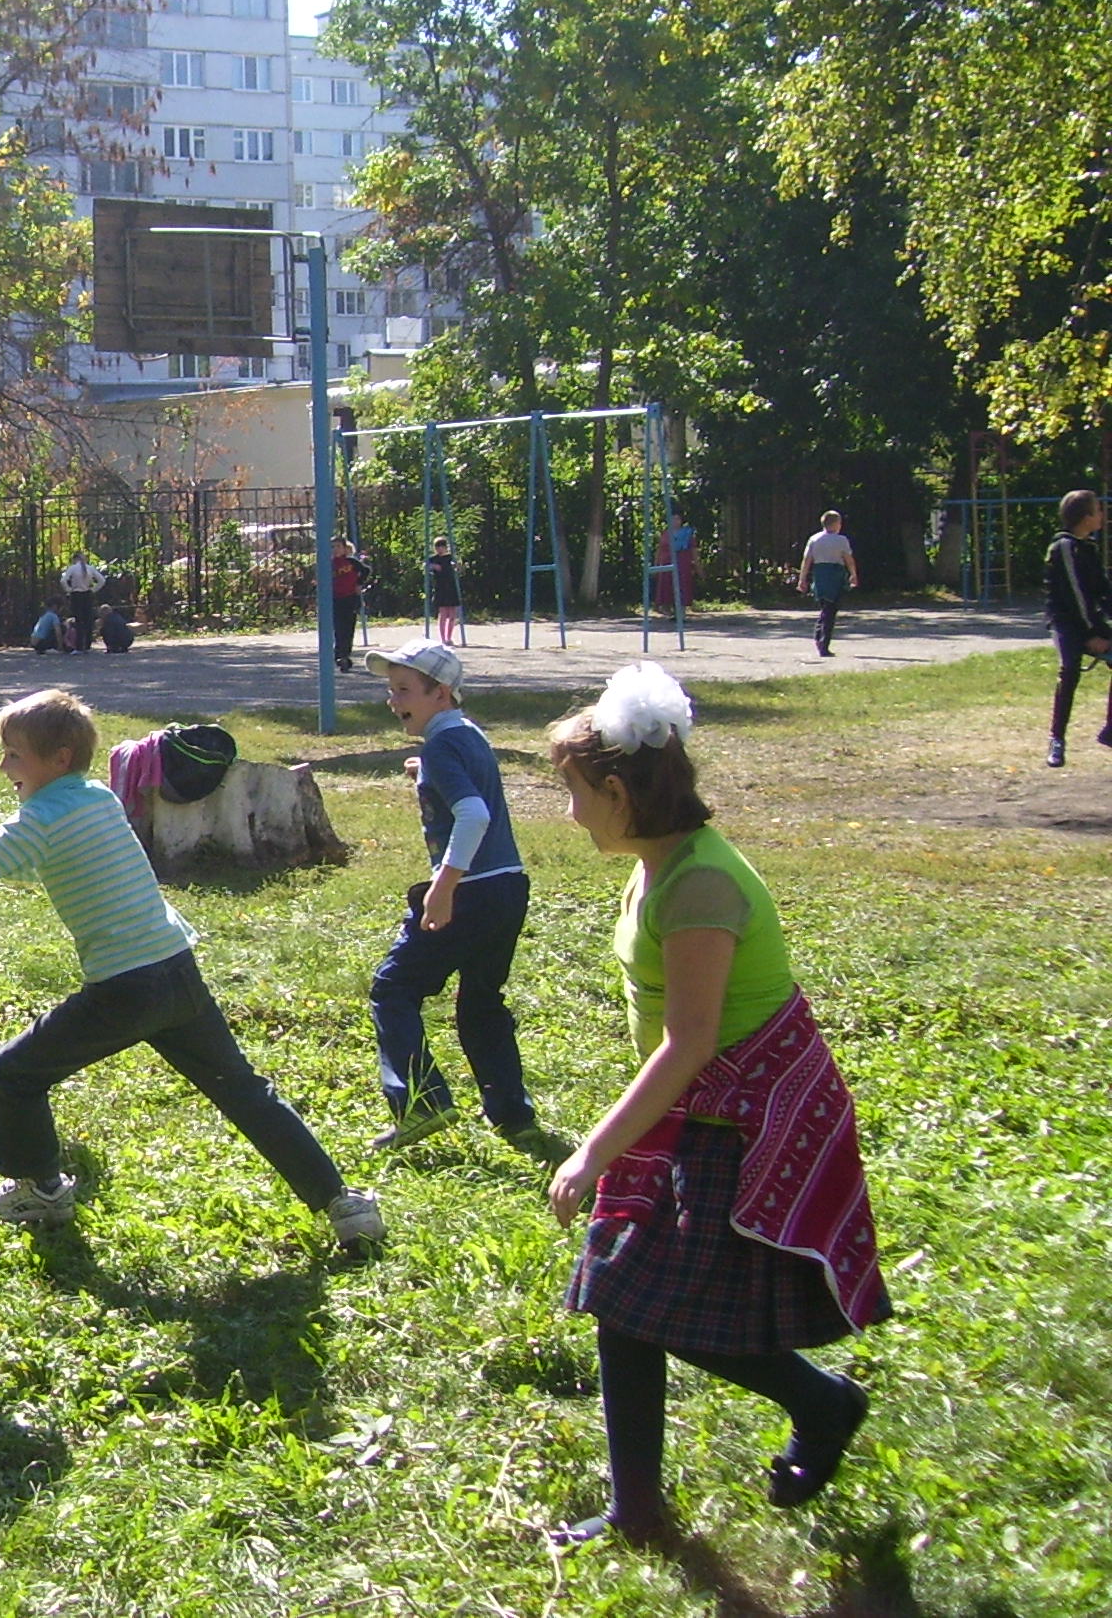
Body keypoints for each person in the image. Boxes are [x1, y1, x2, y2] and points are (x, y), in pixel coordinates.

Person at [0, 689, 385, 1246]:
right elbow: (8, 857)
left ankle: (40, 1189)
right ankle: (342, 1201)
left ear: (56, 759)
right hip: (176, 968)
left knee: (12, 1072)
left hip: (126, 987)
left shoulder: (39, 819)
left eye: (14, 753)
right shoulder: (97, 798)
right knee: (242, 1090)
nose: (2, 764)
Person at [541, 663, 890, 1547]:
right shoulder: (657, 865)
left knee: (655, 1305)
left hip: (746, 1114)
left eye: (576, 793)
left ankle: (822, 1401)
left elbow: (690, 1041)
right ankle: (638, 1511)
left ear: (618, 790)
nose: (570, 812)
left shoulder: (700, 884)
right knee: (625, 1301)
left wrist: (594, 1149)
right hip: (693, 1108)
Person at [361, 640, 545, 1154]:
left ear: (440, 693)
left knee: (393, 990)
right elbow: (474, 791)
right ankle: (513, 1114)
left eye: (404, 690)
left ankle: (421, 1105)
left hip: (470, 891)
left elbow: (474, 816)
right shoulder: (466, 736)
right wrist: (427, 775)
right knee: (482, 1002)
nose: (393, 701)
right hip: (509, 886)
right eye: (391, 690)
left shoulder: (442, 747)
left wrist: (443, 889)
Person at [1041, 489, 1112, 768]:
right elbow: (1076, 597)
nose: (1102, 515)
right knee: (1069, 670)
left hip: (1088, 621)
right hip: (1066, 623)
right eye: (1098, 510)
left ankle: (1109, 731)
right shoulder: (1064, 547)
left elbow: (1103, 592)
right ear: (1086, 517)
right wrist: (1093, 634)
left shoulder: (1089, 548)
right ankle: (1057, 739)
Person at [797, 510, 856, 657]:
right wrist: (853, 574)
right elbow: (848, 558)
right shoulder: (841, 540)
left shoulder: (814, 539)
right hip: (835, 574)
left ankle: (819, 636)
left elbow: (807, 560)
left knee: (825, 606)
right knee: (831, 610)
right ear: (836, 524)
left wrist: (802, 578)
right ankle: (823, 642)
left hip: (820, 574)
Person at [327, 538, 372, 671]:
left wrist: (358, 583)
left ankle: (345, 655)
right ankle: (339, 654)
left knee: (348, 627)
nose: (335, 549)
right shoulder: (329, 564)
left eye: (338, 546)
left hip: (350, 598)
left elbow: (366, 570)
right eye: (332, 547)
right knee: (338, 627)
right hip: (335, 599)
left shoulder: (351, 562)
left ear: (344, 548)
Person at [61, 549, 108, 651]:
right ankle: (87, 644)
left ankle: (78, 646)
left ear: (75, 559)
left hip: (76, 595)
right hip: (87, 594)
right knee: (88, 620)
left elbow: (63, 581)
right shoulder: (90, 568)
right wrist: (93, 590)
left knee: (78, 620)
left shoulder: (72, 568)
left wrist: (69, 590)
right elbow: (102, 580)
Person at [426, 536, 464, 646]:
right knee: (443, 614)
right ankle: (443, 639)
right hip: (440, 587)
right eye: (437, 547)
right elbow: (426, 565)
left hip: (451, 587)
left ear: (445, 547)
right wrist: (433, 566)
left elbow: (459, 568)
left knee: (452, 614)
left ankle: (449, 637)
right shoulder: (433, 559)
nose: (439, 549)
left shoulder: (450, 558)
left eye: (441, 547)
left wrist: (457, 566)